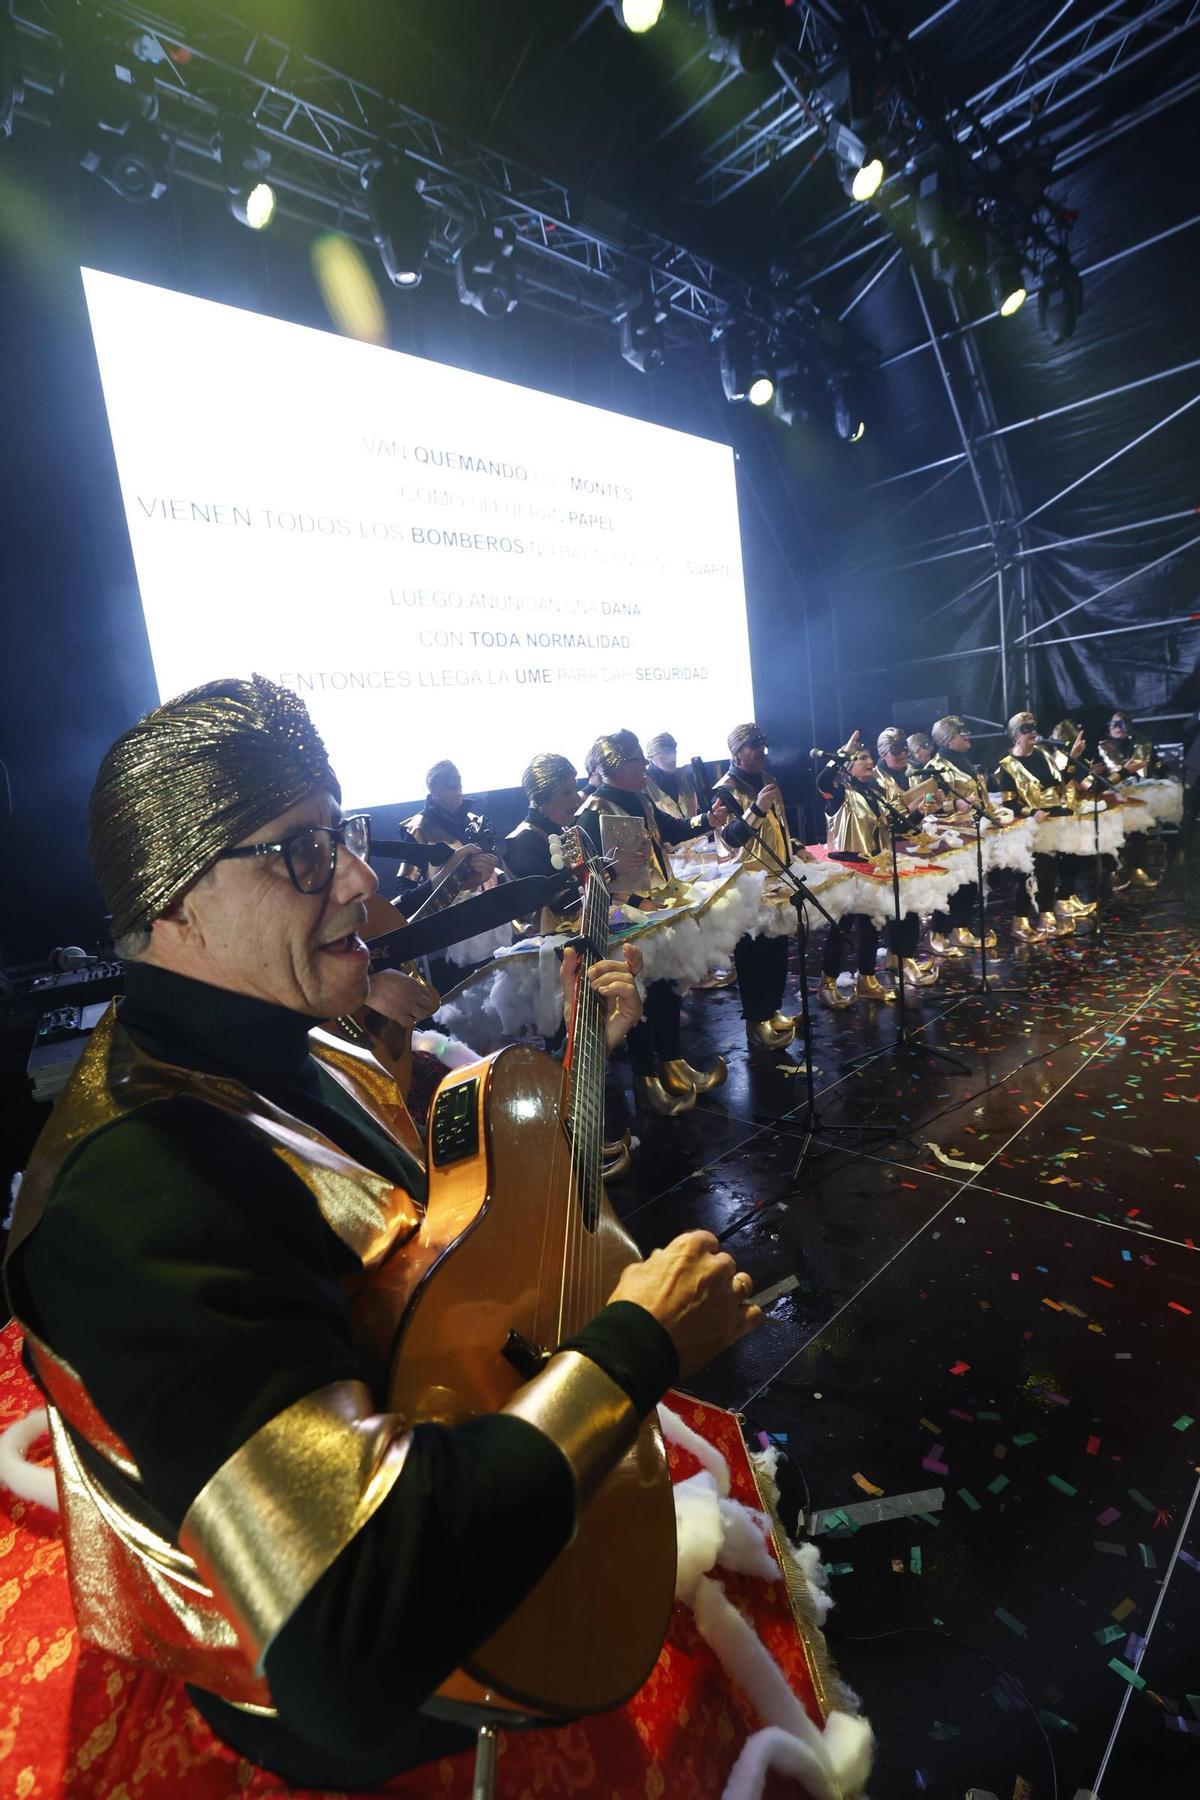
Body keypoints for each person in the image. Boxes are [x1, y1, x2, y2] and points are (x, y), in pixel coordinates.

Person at [4, 677, 762, 1789]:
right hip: (338, 1702)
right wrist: (633, 1350)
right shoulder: (141, 1185)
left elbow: (417, 1244)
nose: (360, 879)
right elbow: (347, 1644)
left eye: (341, 834)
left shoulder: (293, 1040)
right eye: (302, 851)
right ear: (176, 900)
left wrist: (585, 1049)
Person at [576, 730, 730, 1113]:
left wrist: (705, 820)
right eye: (636, 761)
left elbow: (670, 829)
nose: (644, 765)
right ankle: (646, 1081)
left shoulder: (638, 796)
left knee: (666, 992)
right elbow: (591, 877)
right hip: (625, 919)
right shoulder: (593, 811)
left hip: (658, 909)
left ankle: (673, 1063)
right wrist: (631, 900)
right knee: (637, 1002)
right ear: (617, 767)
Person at [712, 723, 808, 1054]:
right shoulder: (723, 791)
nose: (761, 755)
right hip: (748, 884)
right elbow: (730, 838)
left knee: (779, 950)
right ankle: (756, 1022)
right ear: (736, 753)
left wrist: (794, 848)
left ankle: (773, 1010)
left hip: (778, 878)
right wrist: (757, 810)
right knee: (753, 956)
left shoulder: (768, 781)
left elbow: (780, 826)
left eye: (763, 748)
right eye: (754, 749)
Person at [397, 761, 506, 993]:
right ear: (433, 790)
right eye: (449, 784)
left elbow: (498, 860)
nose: (457, 790)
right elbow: (405, 887)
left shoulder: (477, 821)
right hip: (450, 937)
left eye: (458, 783)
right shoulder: (419, 829)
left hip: (492, 923)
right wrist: (453, 881)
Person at [814, 737, 895, 1008]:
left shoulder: (875, 793)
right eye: (862, 758)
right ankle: (826, 984)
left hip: (872, 868)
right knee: (841, 928)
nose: (870, 762)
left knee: (871, 926)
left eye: (870, 757)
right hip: (847, 873)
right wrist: (841, 752)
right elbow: (822, 781)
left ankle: (867, 979)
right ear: (848, 765)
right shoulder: (838, 792)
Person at [994, 711, 1075, 939]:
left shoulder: (1043, 754)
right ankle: (1019, 920)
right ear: (1016, 735)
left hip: (1052, 821)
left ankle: (1046, 915)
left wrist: (1072, 761)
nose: (1032, 732)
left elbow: (1060, 783)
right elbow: (1009, 802)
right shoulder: (1007, 766)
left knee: (1049, 871)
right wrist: (1032, 811)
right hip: (1029, 826)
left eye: (1033, 727)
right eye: (1026, 729)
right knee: (1028, 873)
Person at [870, 727, 940, 988]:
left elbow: (916, 815)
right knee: (901, 909)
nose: (903, 755)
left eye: (905, 750)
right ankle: (902, 958)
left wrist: (929, 805)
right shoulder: (876, 780)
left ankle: (901, 955)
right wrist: (915, 811)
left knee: (911, 907)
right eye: (897, 750)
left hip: (911, 847)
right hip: (889, 852)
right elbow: (890, 825)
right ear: (884, 753)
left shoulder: (909, 774)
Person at [926, 716, 1000, 949]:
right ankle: (937, 935)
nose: (967, 735)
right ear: (948, 741)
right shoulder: (933, 768)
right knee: (950, 887)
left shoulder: (965, 762)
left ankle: (961, 928)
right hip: (949, 838)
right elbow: (927, 803)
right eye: (962, 732)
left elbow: (979, 796)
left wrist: (992, 814)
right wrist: (953, 806)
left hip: (972, 833)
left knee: (970, 883)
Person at [502, 751, 582, 932]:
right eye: (566, 792)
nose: (576, 799)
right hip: (547, 951)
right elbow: (566, 905)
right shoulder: (521, 842)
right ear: (541, 798)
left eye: (575, 790)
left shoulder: (560, 830)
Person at [1097, 711, 1160, 888]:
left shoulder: (1141, 745)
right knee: (1112, 835)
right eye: (1113, 723)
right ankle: (1112, 872)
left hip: (1137, 795)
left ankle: (1137, 869)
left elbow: (1156, 764)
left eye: (1121, 723)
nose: (1117, 727)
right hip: (1111, 797)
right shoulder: (1101, 746)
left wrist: (1166, 774)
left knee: (1139, 832)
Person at [644, 732, 701, 823]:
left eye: (673, 751)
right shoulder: (643, 784)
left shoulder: (684, 776)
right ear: (651, 756)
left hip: (695, 833)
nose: (672, 757)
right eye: (665, 753)